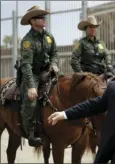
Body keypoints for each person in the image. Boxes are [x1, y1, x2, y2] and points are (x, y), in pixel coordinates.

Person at [20, 5, 59, 147]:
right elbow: (26, 65)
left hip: (48, 70)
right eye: (40, 17)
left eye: (44, 16)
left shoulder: (49, 36)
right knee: (30, 101)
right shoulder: (28, 40)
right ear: (32, 21)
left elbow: (55, 53)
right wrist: (31, 86)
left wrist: (54, 64)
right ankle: (30, 133)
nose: (44, 19)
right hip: (33, 74)